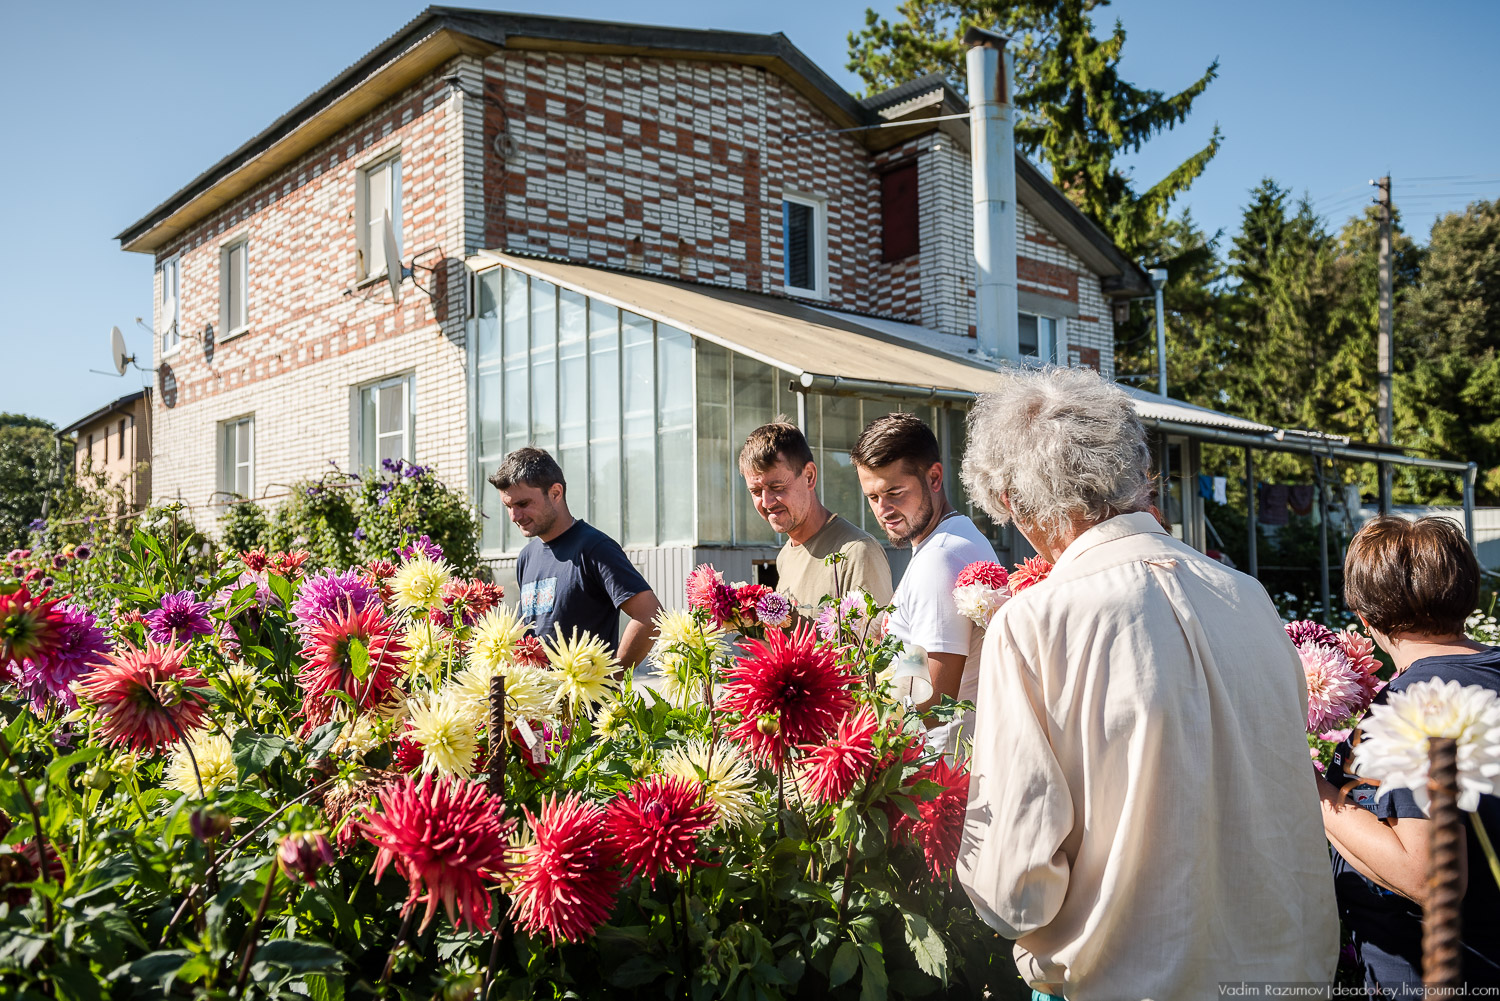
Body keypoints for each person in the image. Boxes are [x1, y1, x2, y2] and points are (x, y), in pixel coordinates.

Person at [956, 366, 1337, 1000]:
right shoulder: (1248, 596)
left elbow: (1015, 887)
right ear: (1136, 475)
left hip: (1125, 982)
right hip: (1286, 976)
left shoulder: (1034, 622)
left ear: (1018, 505)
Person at [1321, 516, 1500, 989]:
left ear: (1366, 617)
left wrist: (1314, 790)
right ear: (1469, 593)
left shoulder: (1416, 703)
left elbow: (1430, 878)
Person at [850, 412, 996, 753]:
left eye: (895, 492)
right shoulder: (951, 541)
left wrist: (857, 731)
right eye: (872, 497)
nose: (883, 509)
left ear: (934, 477)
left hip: (937, 774)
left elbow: (935, 698)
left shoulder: (941, 557)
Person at [488, 447, 661, 668]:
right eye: (508, 507)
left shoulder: (595, 548)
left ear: (556, 493)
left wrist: (612, 677)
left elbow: (650, 616)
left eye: (522, 504)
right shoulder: (526, 558)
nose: (514, 516)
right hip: (538, 701)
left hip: (586, 701)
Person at [739, 420, 892, 612]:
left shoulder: (857, 552)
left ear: (809, 476)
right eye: (755, 491)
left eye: (776, 487)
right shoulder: (785, 556)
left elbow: (875, 639)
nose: (767, 502)